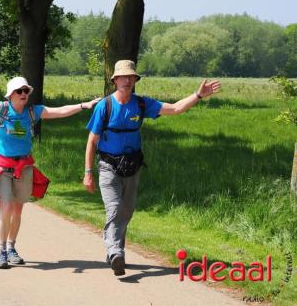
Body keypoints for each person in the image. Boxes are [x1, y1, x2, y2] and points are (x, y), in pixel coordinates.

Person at [83, 60, 221, 276]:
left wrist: (198, 95)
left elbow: (175, 109)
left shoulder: (141, 104)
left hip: (132, 166)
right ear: (115, 80)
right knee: (114, 208)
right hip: (108, 166)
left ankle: (114, 250)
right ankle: (115, 251)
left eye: (131, 77)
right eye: (123, 77)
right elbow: (92, 141)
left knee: (127, 210)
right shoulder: (105, 106)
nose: (127, 81)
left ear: (134, 80)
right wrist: (88, 173)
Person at [0, 76, 100, 269]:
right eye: (19, 91)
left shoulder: (32, 112)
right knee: (5, 208)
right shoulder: (1, 108)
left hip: (24, 167)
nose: (23, 94)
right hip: (1, 168)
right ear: (10, 94)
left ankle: (12, 247)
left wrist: (84, 105)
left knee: (17, 210)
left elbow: (59, 111)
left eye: (26, 91)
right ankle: (2, 250)